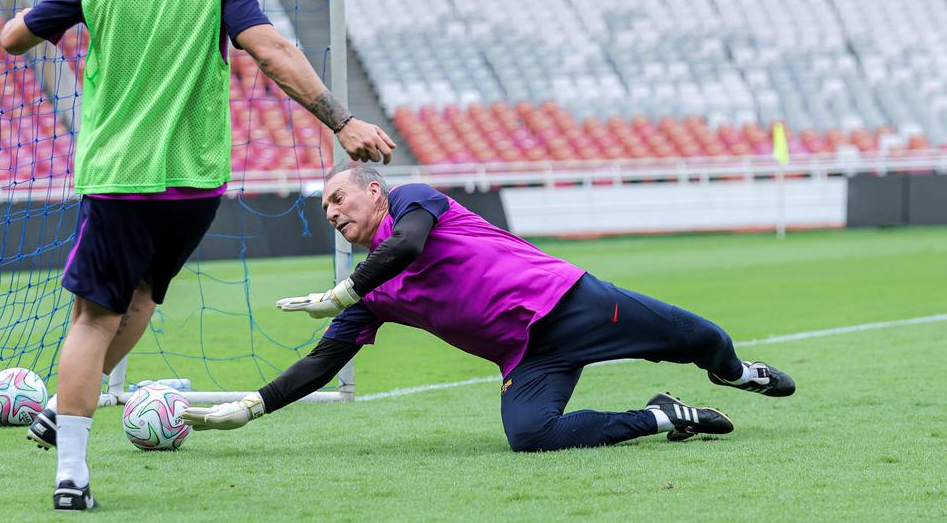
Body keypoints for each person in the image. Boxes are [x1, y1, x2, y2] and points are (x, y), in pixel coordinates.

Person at [0, 0, 396, 511]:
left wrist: (68, 14)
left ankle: (70, 471)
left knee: (92, 318)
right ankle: (61, 407)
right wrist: (341, 121)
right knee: (144, 301)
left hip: (119, 175)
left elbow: (14, 38)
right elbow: (269, 52)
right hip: (194, 183)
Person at [181, 162, 795, 451]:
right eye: (326, 213)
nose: (335, 214)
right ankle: (665, 417)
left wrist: (342, 291)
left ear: (375, 190)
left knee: (702, 338)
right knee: (529, 435)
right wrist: (250, 407)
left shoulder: (413, 201)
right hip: (528, 357)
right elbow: (319, 363)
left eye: (340, 199)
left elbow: (408, 245)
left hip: (570, 302)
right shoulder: (371, 293)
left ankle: (736, 373)